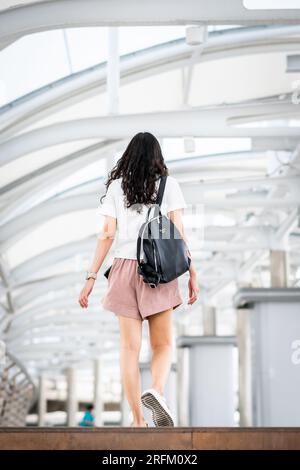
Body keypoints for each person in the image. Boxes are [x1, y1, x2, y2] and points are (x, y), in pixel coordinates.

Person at [78, 132, 199, 427]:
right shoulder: (169, 186)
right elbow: (178, 231)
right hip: (157, 270)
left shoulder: (117, 188)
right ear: (158, 157)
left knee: (128, 349)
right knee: (162, 345)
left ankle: (137, 420)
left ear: (129, 156)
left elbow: (107, 233)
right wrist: (192, 271)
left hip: (123, 269)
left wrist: (91, 276)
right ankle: (156, 391)